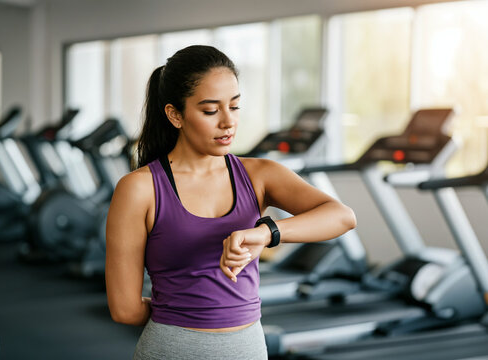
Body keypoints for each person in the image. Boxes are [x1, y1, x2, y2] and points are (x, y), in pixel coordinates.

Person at [105, 45, 357, 360]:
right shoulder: (139, 188)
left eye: (234, 107)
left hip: (246, 350)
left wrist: (266, 233)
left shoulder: (261, 174)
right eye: (210, 111)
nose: (227, 122)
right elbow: (124, 310)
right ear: (175, 115)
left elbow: (342, 216)